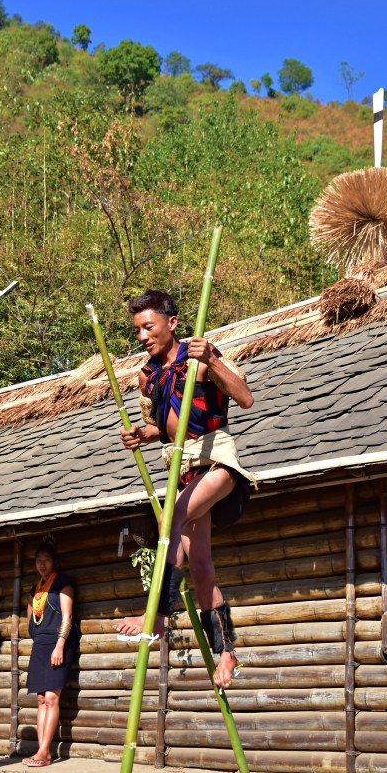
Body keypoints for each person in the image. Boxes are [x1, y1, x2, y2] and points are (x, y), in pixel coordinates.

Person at [114, 289, 254, 689]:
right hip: (183, 467)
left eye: (148, 327)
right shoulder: (147, 375)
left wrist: (211, 359)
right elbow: (161, 428)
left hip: (217, 460)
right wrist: (140, 434)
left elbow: (245, 398)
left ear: (171, 322)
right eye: (137, 330)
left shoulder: (199, 355)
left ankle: (158, 615)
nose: (142, 336)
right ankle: (226, 651)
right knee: (201, 565)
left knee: (170, 520)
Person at [23, 544, 77, 767]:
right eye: (39, 560)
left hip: (58, 644)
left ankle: (45, 751)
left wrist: (59, 645)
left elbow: (67, 617)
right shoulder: (35, 590)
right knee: (40, 699)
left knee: (52, 698)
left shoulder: (63, 584)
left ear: (54, 562)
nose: (42, 564)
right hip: (40, 645)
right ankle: (41, 750)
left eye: (46, 560)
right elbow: (31, 619)